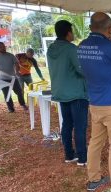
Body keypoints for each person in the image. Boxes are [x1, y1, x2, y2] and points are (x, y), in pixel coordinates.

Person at [78, 12, 111, 191]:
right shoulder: (110, 47)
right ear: (109, 28)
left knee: (95, 142)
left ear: (90, 27)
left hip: (94, 103)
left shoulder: (82, 46)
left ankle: (93, 179)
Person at [47, 20, 88, 166]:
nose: (73, 34)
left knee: (67, 124)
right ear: (68, 32)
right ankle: (82, 158)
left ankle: (69, 155)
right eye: (72, 31)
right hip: (76, 93)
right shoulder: (71, 49)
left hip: (60, 92)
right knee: (80, 125)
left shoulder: (51, 49)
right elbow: (81, 69)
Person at [0, 42, 27, 112]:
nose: (3, 48)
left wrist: (17, 71)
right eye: (1, 47)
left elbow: (16, 64)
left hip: (13, 78)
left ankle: (23, 104)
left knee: (19, 92)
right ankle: (11, 109)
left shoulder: (11, 55)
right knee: (7, 94)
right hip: (2, 79)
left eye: (4, 46)